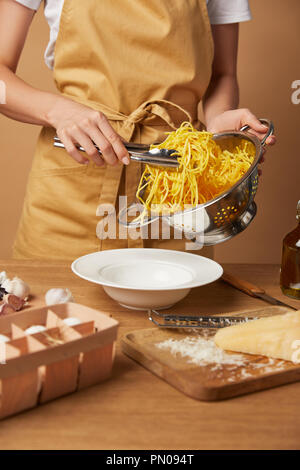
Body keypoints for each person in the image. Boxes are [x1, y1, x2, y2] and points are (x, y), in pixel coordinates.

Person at [0, 0, 276, 260]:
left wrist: (219, 121)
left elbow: (222, 74)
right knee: (52, 306)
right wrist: (58, 111)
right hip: (70, 194)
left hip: (179, 189)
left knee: (178, 305)